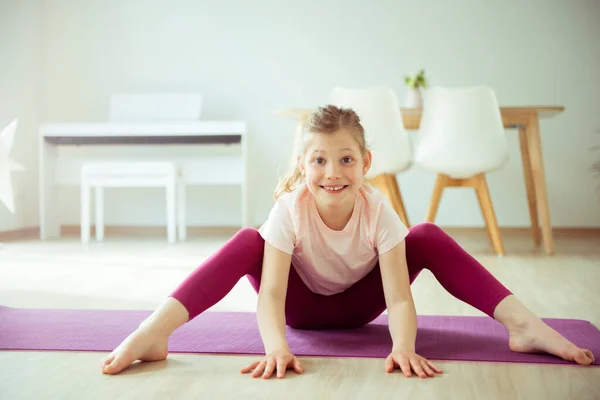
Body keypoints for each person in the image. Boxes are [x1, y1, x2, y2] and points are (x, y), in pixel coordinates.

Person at [101, 105, 595, 378]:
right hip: (300, 310)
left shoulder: (377, 210)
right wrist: (277, 347)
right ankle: (155, 330)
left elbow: (399, 296)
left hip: (359, 308)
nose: (332, 173)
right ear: (302, 165)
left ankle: (525, 325)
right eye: (318, 160)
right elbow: (271, 296)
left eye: (345, 160)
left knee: (424, 234)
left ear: (366, 163)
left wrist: (403, 347)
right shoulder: (290, 207)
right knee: (247, 239)